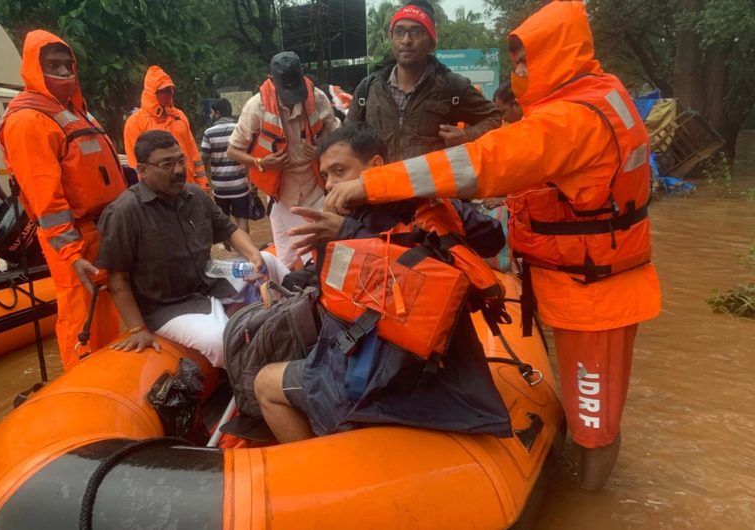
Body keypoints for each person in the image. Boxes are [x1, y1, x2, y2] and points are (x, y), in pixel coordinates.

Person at [324, 1, 662, 491]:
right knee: (585, 409)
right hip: (572, 276)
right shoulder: (597, 95)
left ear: (557, 59)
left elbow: (483, 164)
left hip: (594, 295)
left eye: (526, 62)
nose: (519, 72)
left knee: (595, 423)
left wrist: (371, 185)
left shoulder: (571, 121)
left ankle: (588, 503)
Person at [254, 122, 512, 444]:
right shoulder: (432, 203)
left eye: (339, 171)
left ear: (376, 167)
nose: (331, 184)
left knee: (264, 383)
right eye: (327, 176)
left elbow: (371, 287)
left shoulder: (355, 223)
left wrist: (345, 235)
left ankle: (320, 464)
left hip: (383, 379)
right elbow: (492, 237)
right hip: (445, 375)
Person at [96, 131, 291, 368]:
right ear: (143, 171)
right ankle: (258, 382)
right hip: (168, 305)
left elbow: (228, 229)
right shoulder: (125, 212)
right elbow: (117, 279)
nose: (178, 170)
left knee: (269, 261)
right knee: (220, 341)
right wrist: (137, 329)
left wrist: (252, 254)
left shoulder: (195, 195)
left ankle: (299, 322)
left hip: (208, 281)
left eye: (180, 161)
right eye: (167, 164)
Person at [0, 31, 125, 370]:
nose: (64, 72)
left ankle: (113, 376)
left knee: (109, 317)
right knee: (82, 319)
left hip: (104, 232)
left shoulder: (75, 113)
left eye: (67, 64)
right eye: (52, 65)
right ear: (34, 69)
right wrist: (72, 253)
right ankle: (85, 382)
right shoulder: (28, 121)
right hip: (78, 240)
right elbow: (46, 201)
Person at [344, 0, 501, 161]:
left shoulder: (452, 86)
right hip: (381, 185)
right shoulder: (368, 89)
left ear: (432, 43)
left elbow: (495, 118)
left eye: (416, 32)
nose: (406, 40)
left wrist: (467, 135)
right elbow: (346, 139)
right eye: (399, 32)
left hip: (432, 185)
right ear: (391, 39)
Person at [226, 51, 340, 268]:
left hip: (316, 188)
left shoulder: (317, 98)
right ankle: (290, 292)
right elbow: (233, 151)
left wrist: (321, 150)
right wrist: (261, 163)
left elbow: (337, 137)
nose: (292, 100)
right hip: (281, 195)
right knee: (286, 257)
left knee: (321, 253)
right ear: (272, 80)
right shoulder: (256, 106)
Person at [124, 66, 208, 190]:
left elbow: (194, 154)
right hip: (159, 192)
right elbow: (135, 164)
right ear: (152, 93)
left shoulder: (179, 116)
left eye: (170, 89)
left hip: (188, 187)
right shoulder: (135, 122)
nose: (168, 93)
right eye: (163, 90)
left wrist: (203, 185)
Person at [201, 98, 253, 233]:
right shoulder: (240, 129)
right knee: (242, 219)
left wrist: (207, 183)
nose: (210, 115)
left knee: (224, 220)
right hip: (240, 185)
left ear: (218, 113)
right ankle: (244, 250)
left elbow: (204, 159)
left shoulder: (209, 133)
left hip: (220, 187)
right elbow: (249, 157)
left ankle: (229, 245)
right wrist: (251, 181)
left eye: (211, 112)